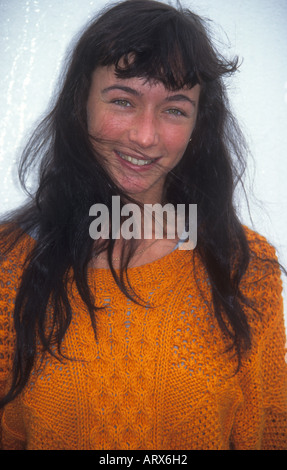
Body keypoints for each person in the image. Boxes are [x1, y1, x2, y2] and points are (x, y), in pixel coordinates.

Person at [0, 0, 286, 451]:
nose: (145, 135)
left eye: (174, 109)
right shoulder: (9, 264)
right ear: (81, 103)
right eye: (122, 101)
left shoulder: (246, 269)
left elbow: (271, 434)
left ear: (198, 125)